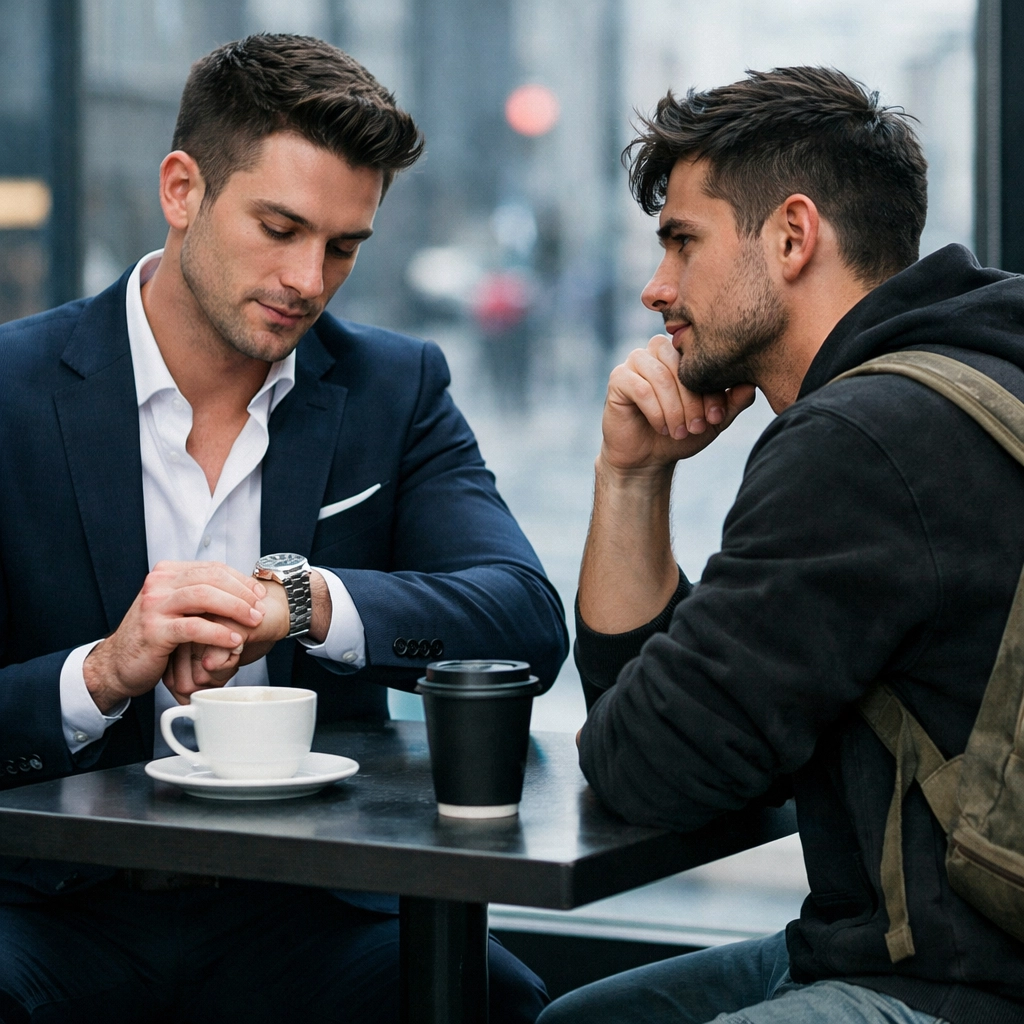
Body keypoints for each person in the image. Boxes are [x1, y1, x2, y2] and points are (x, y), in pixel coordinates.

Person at [0, 34, 566, 1024]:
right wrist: (98, 673)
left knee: (498, 1000)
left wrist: (304, 602)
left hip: (304, 911)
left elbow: (521, 620)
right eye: (280, 227)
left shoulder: (395, 389)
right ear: (182, 189)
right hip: (49, 904)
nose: (309, 279)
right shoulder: (9, 391)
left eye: (344, 246)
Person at [539, 67, 1024, 1024]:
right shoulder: (981, 368)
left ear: (794, 236)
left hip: (951, 986)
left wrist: (630, 480)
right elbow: (695, 732)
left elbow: (650, 765)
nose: (656, 288)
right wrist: (635, 475)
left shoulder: (864, 441)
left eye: (683, 242)